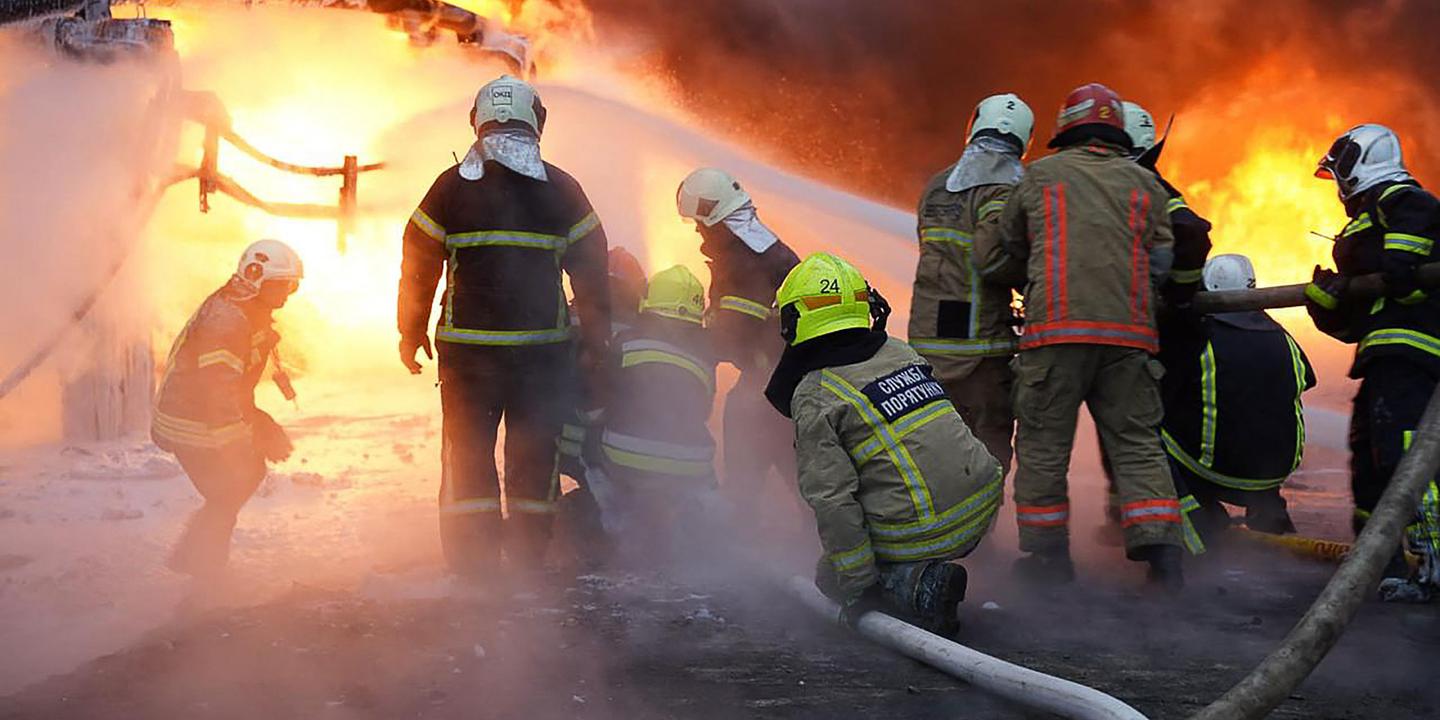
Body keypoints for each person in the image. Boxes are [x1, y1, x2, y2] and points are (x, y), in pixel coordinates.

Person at [398, 74, 611, 578]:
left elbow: (417, 264)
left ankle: (475, 565)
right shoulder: (562, 188)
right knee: (534, 455)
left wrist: (410, 332)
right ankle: (529, 559)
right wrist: (596, 342)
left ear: (477, 120)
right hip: (543, 355)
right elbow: (592, 268)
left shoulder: (449, 187)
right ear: (535, 120)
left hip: (468, 357)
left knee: (467, 453)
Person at [990, 83, 1184, 589]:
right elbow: (1163, 260)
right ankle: (1162, 553)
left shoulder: (1040, 178)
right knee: (1138, 442)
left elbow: (1006, 248)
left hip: (1055, 335)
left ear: (1065, 129)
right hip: (1130, 338)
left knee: (1042, 447)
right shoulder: (1145, 184)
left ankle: (1049, 560)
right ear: (1116, 130)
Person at [765, 252, 1002, 635]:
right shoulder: (899, 349)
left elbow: (831, 497)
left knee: (831, 572)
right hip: (983, 500)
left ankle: (915, 584)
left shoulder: (815, 394)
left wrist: (858, 586)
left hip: (932, 527)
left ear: (793, 320)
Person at [1306, 123, 1440, 603]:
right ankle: (1374, 563)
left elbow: (1420, 224)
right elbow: (1357, 324)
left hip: (1417, 352)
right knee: (1368, 460)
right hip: (1382, 357)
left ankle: (1432, 564)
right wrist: (1325, 302)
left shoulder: (1400, 199)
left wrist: (1401, 259)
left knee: (1406, 455)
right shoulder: (1370, 222)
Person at [153, 239, 302, 575]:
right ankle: (201, 565)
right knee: (233, 483)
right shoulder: (227, 321)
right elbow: (216, 390)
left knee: (241, 479)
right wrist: (235, 443)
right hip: (189, 422)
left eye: (292, 286)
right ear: (257, 278)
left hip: (200, 414)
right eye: (283, 285)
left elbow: (232, 386)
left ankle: (199, 559)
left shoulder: (246, 308)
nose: (288, 295)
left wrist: (258, 421)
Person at [909, 93, 1033, 474]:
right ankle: (978, 529)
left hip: (930, 339)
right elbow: (992, 258)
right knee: (987, 447)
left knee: (935, 443)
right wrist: (1030, 275)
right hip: (979, 351)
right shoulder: (1005, 187)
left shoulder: (938, 184)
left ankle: (938, 525)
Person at [1159, 254, 1315, 547]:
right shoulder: (1284, 338)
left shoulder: (1196, 337)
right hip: (1271, 473)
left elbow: (1165, 386)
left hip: (1213, 472)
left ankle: (1200, 525)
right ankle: (1269, 514)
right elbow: (1306, 381)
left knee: (1147, 427)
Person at [676, 168, 799, 509]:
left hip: (769, 391)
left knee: (746, 468)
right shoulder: (764, 249)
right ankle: (810, 540)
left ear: (714, 217)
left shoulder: (745, 263)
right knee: (799, 480)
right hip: (787, 385)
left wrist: (674, 334)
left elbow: (728, 338)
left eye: (699, 223)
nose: (698, 231)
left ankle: (740, 536)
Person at [599, 265, 718, 560]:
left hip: (627, 455)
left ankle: (609, 516)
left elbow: (604, 397)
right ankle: (698, 523)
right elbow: (703, 409)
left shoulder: (624, 343)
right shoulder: (706, 355)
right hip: (692, 463)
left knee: (591, 438)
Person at [1121, 101, 1213, 307]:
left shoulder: (1140, 186)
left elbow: (1191, 232)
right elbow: (1190, 232)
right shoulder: (1152, 185)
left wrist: (1176, 296)